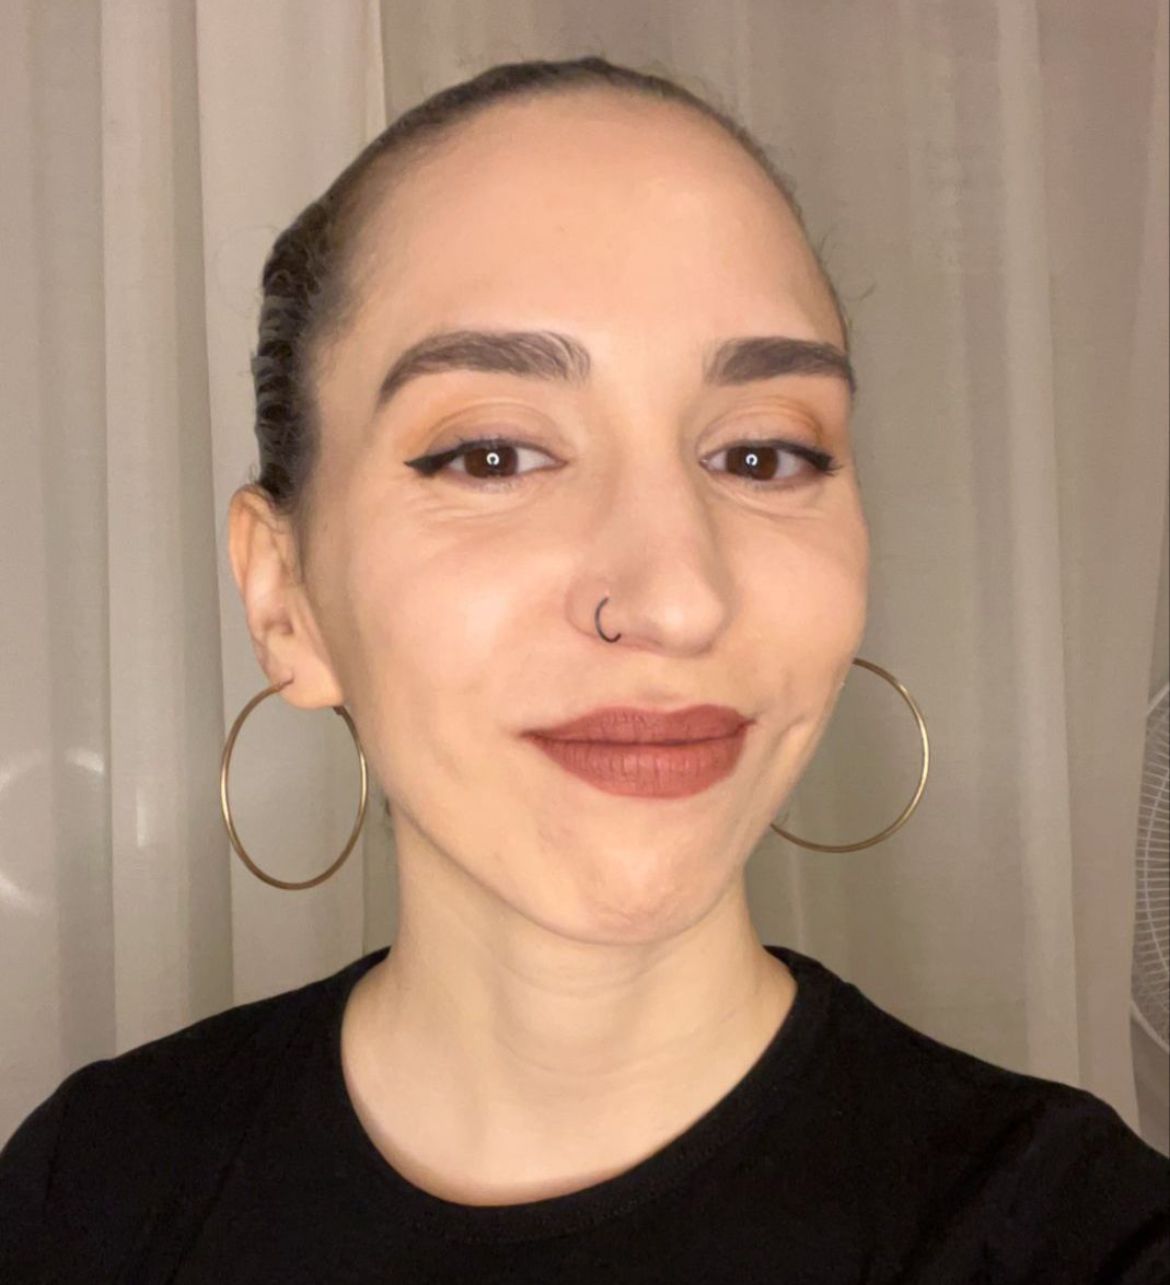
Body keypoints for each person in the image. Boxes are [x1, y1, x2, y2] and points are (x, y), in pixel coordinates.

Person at [2, 54, 1166, 1284]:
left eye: (763, 454)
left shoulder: (1079, 1240)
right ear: (284, 597)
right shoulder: (88, 1192)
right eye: (494, 455)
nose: (677, 596)